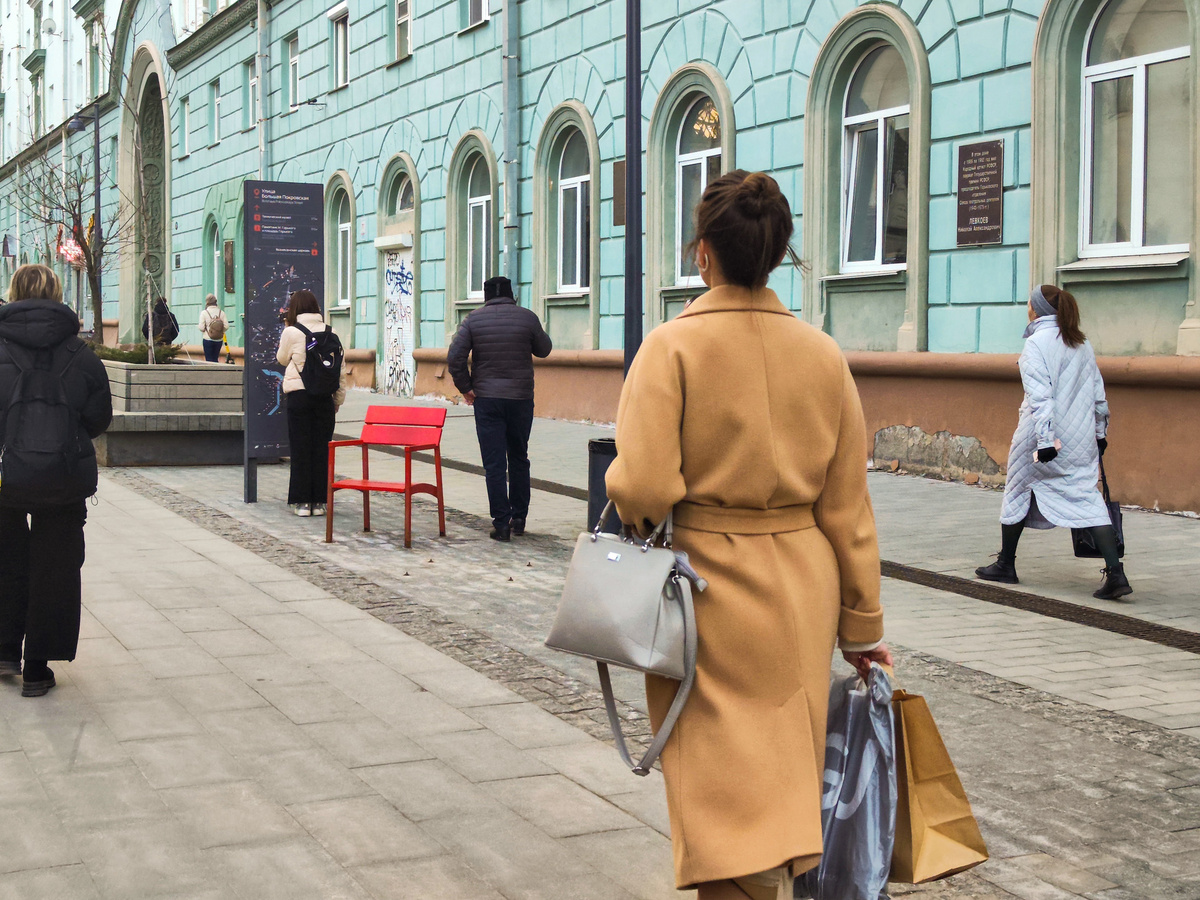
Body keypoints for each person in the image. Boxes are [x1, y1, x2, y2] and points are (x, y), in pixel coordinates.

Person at [605, 171, 891, 900]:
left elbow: (640, 487)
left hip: (703, 595)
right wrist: (862, 628)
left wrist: (633, 505)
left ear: (703, 254)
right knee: (782, 776)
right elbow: (849, 510)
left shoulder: (670, 350)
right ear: (776, 254)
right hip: (803, 585)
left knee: (720, 798)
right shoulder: (823, 356)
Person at [0, 264, 112, 697]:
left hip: (5, 476)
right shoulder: (81, 355)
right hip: (63, 478)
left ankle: (5, 647)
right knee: (57, 568)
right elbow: (98, 418)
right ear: (57, 293)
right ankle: (37, 667)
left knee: (6, 559)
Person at [976, 285, 1130, 600]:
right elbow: (1099, 396)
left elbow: (1040, 397)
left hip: (1041, 438)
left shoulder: (1035, 343)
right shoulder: (1081, 343)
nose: (1027, 308)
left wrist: (1046, 440)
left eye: (1029, 304)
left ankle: (1006, 564)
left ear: (1037, 310)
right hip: (1081, 438)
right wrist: (1100, 434)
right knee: (1088, 499)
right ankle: (1116, 574)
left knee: (1017, 490)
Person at [447, 275, 552, 541]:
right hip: (520, 399)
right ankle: (519, 518)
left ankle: (501, 524)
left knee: (494, 464)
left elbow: (455, 357)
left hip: (487, 400)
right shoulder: (527, 317)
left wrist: (466, 387)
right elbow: (544, 350)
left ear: (486, 297)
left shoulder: (473, 320)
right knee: (519, 457)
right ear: (512, 294)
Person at [276, 289, 346, 517]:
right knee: (322, 449)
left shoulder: (291, 332)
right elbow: (340, 371)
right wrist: (337, 400)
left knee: (300, 448)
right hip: (324, 398)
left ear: (294, 308)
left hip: (299, 396)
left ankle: (302, 502)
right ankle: (320, 502)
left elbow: (281, 359)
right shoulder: (331, 331)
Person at [198, 293, 230, 362]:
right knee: (215, 358)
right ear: (215, 302)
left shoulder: (204, 313)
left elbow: (201, 327)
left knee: (209, 359)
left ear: (207, 302)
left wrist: (207, 330)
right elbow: (226, 326)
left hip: (207, 339)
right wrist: (219, 331)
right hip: (219, 340)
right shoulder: (221, 313)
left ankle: (210, 372)